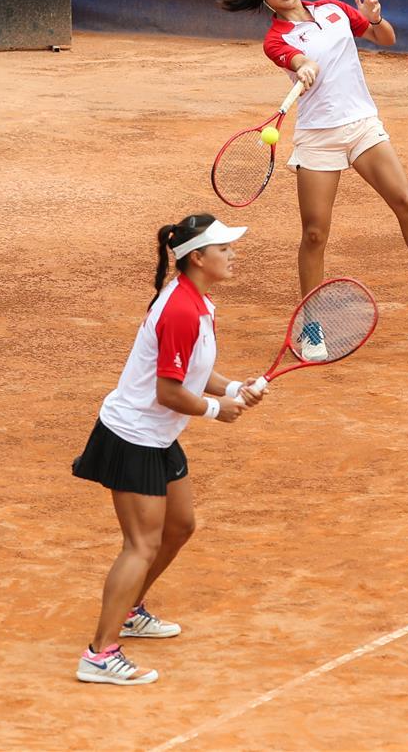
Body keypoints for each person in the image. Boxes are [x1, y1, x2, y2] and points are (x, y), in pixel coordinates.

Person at [219, 0, 408, 358]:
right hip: (319, 138)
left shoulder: (334, 10)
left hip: (362, 125)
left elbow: (385, 39)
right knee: (315, 233)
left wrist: (374, 18)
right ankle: (311, 325)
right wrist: (302, 65)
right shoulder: (276, 39)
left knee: (404, 200)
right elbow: (294, 59)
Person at [73, 214, 265, 685]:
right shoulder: (180, 309)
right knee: (141, 544)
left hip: (157, 436)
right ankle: (99, 654)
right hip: (133, 436)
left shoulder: (196, 302)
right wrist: (218, 410)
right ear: (197, 257)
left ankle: (132, 609)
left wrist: (234, 386)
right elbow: (169, 392)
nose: (232, 254)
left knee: (180, 526)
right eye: (223, 248)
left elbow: (192, 375)